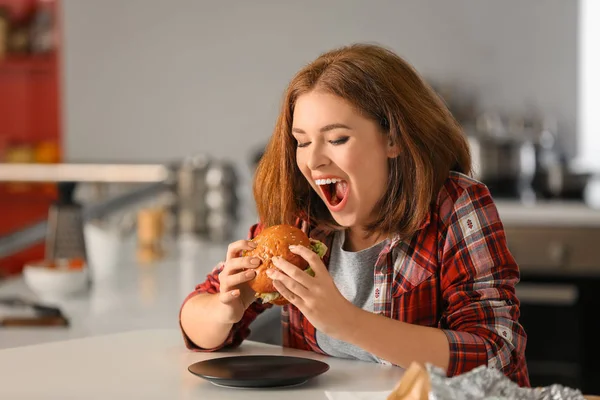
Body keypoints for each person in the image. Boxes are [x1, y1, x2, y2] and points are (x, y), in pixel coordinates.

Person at [179, 43, 530, 387]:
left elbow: (495, 351)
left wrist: (347, 322)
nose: (313, 161)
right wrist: (225, 310)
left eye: (337, 139)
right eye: (302, 141)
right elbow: (195, 318)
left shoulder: (456, 206)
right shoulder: (301, 219)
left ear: (393, 140)